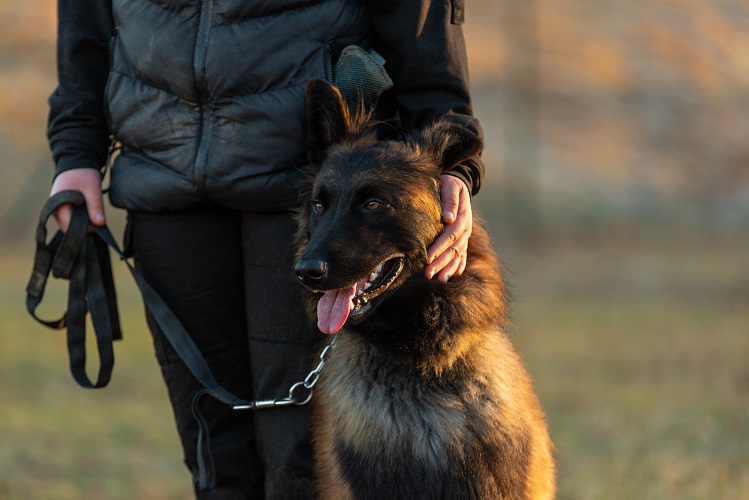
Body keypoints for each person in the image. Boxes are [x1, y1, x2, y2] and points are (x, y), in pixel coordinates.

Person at [47, 0, 485, 497]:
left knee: (301, 458)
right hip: (163, 181)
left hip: (315, 189)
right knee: (213, 454)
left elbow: (420, 21)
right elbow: (86, 18)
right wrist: (75, 151)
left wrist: (452, 161)